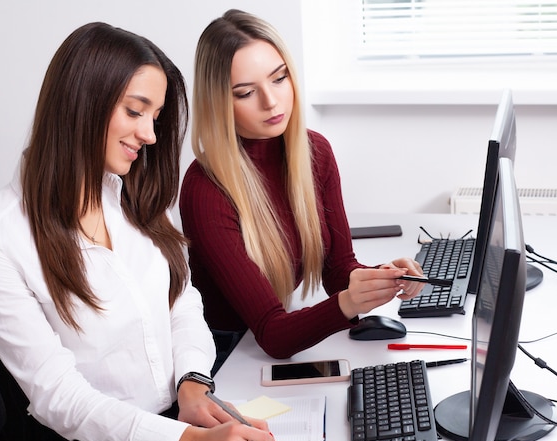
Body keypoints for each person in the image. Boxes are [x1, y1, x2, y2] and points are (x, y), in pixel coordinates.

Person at [0, 22, 274, 441]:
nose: (149, 134)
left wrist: (192, 383)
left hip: (182, 427)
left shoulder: (130, 192)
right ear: (81, 102)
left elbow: (181, 302)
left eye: (156, 116)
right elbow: (58, 396)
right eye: (135, 111)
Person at [179, 9, 425, 371]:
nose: (272, 101)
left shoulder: (315, 152)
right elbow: (274, 335)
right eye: (246, 92)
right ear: (218, 104)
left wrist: (381, 277)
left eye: (279, 79)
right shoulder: (206, 190)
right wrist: (348, 303)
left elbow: (339, 268)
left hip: (275, 335)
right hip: (229, 358)